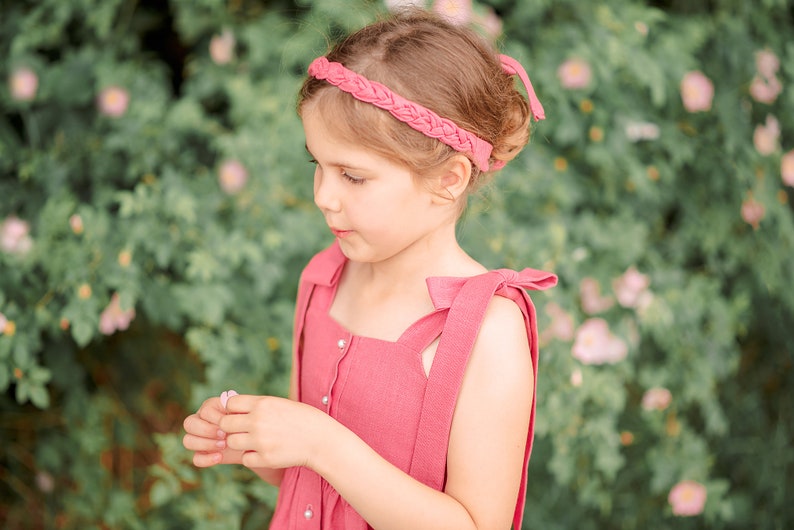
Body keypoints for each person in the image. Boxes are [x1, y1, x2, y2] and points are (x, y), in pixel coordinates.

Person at [182, 9, 556, 530]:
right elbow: (308, 478)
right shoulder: (324, 279)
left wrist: (320, 441)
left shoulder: (484, 331)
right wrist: (252, 440)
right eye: (319, 165)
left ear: (449, 179)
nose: (324, 198)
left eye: (353, 177)